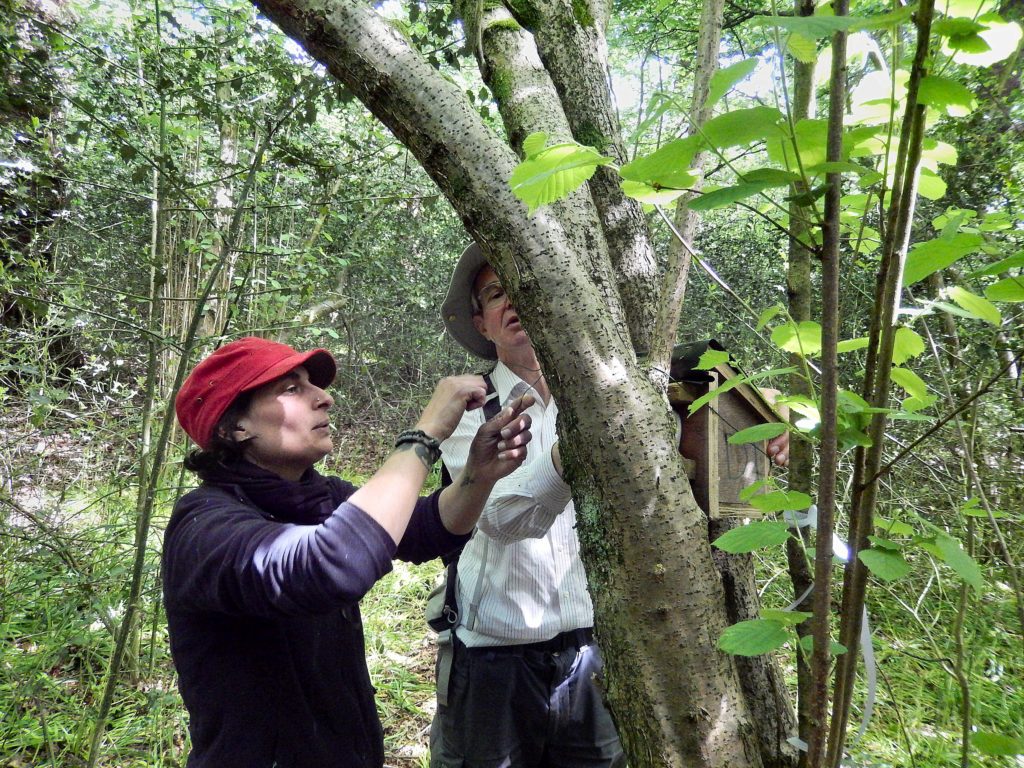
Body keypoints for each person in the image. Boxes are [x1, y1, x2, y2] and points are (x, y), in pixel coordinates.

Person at [430, 244, 791, 768]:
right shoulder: (467, 407)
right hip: (490, 661)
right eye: (494, 293)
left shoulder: (636, 399)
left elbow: (697, 475)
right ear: (482, 324)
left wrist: (760, 427)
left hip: (597, 656)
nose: (513, 303)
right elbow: (503, 518)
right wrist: (583, 441)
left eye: (522, 287)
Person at [162, 335, 534, 768]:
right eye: (291, 388)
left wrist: (478, 476)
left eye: (313, 385)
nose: (324, 398)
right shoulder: (204, 525)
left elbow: (422, 528)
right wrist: (423, 437)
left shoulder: (316, 495)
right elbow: (329, 566)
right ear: (233, 427)